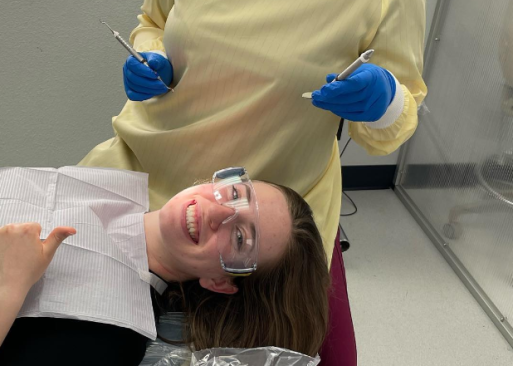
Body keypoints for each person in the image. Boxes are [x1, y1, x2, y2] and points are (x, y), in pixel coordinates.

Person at [79, 0, 428, 269]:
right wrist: (153, 55)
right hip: (143, 165)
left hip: (253, 224)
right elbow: (155, 20)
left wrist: (387, 102)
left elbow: (396, 120)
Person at [0, 168, 330, 365]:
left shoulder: (108, 339)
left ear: (220, 281)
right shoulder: (106, 195)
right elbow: (1, 209)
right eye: (235, 193)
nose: (219, 212)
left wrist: (0, 293)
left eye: (240, 236)